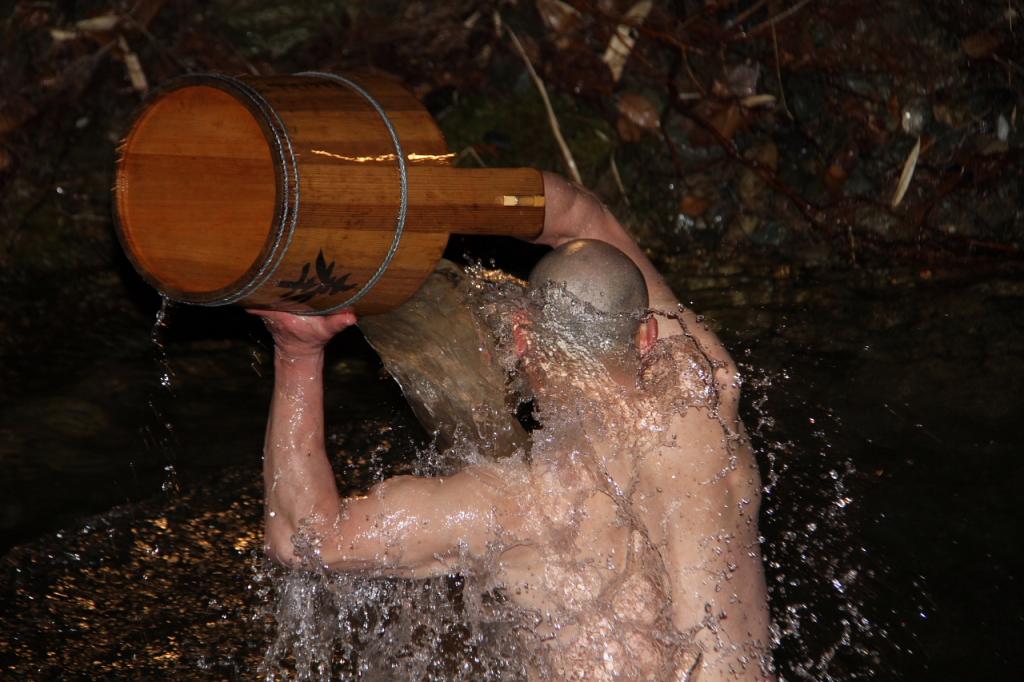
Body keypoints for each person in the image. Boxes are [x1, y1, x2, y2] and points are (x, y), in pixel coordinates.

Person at [253, 172, 774, 680]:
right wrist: (441, 196)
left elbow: (306, 538)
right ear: (646, 336)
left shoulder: (520, 506)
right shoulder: (707, 390)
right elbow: (580, 213)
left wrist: (298, 350)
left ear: (522, 338)